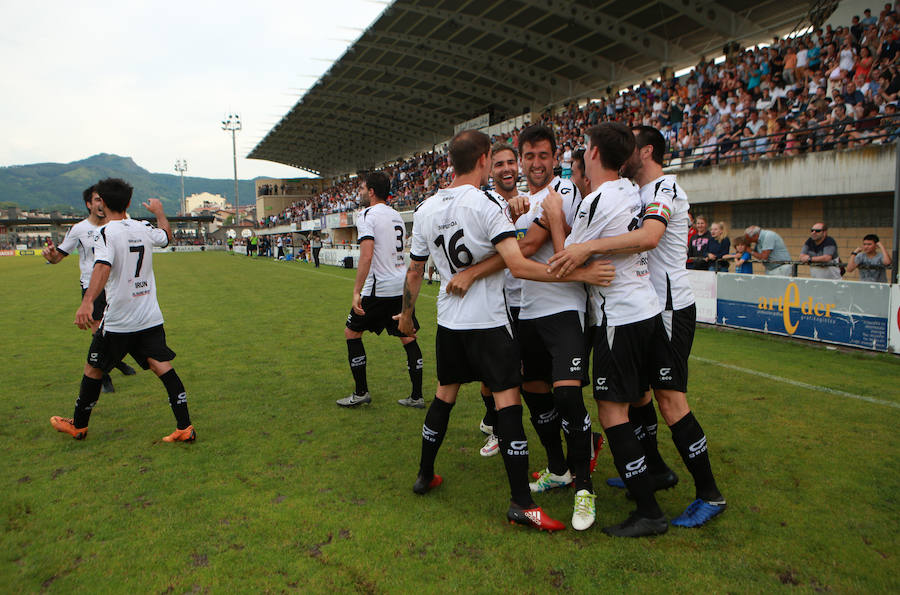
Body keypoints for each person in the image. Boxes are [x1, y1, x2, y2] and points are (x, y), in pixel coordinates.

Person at [395, 129, 615, 532]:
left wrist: (406, 315)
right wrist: (582, 272)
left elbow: (414, 270)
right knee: (508, 403)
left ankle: (425, 473)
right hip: (491, 321)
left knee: (444, 395)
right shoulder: (486, 205)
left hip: (449, 320)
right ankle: (522, 503)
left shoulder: (426, 208)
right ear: (483, 161)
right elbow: (518, 263)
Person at [548, 123, 726, 534]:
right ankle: (656, 472)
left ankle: (692, 497)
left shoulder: (663, 189)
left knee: (657, 400)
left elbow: (646, 237)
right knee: (647, 396)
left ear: (644, 152)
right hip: (647, 307)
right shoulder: (633, 191)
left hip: (663, 306)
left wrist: (579, 242)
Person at [448, 127, 597, 530]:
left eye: (542, 156)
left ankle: (584, 489)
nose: (534, 163)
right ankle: (559, 468)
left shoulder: (561, 192)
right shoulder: (524, 201)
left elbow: (527, 248)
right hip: (527, 311)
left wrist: (503, 234)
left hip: (564, 306)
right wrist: (509, 221)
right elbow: (517, 244)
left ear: (555, 158)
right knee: (534, 394)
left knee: (567, 397)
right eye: (528, 156)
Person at [49, 178, 195, 443]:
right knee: (162, 366)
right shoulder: (143, 226)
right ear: (128, 202)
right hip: (149, 315)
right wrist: (159, 211)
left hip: (119, 319)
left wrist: (87, 302)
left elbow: (102, 266)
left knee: (93, 368)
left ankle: (78, 426)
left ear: (101, 204)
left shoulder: (108, 232)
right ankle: (184, 427)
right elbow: (165, 237)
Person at [337, 171, 425, 409]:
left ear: (372, 191)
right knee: (408, 336)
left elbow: (367, 255)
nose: (360, 193)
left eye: (362, 189)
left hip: (379, 288)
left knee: (351, 333)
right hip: (400, 286)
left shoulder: (366, 214)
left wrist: (357, 291)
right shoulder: (396, 215)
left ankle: (361, 392)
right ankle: (416, 396)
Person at [42, 184, 137, 394]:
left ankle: (117, 362)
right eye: (96, 200)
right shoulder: (79, 229)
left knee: (119, 329)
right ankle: (104, 376)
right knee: (99, 333)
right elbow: (58, 256)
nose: (100, 203)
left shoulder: (120, 224)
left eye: (102, 199)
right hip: (92, 286)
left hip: (118, 286)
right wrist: (51, 256)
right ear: (89, 204)